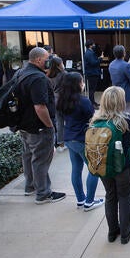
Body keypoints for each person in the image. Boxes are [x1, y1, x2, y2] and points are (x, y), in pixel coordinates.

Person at [91, 86, 130, 244]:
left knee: (110, 196)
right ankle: (126, 232)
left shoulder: (95, 121)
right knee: (125, 197)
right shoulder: (126, 120)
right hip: (124, 166)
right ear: (121, 102)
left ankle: (112, 232)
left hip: (104, 166)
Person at [17, 47, 66, 204]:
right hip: (38, 126)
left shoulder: (20, 73)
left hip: (24, 124)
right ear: (38, 60)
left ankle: (30, 186)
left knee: (28, 155)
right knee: (40, 159)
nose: (49, 61)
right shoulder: (38, 78)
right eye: (47, 58)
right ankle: (43, 193)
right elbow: (40, 106)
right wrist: (50, 126)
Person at [57, 72, 104, 211]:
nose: (83, 83)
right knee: (94, 169)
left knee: (76, 170)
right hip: (82, 139)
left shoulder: (62, 100)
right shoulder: (83, 101)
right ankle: (89, 202)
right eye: (82, 81)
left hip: (69, 138)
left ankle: (81, 199)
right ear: (77, 84)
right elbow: (91, 118)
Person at [108, 45, 130, 117]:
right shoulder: (126, 65)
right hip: (126, 94)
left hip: (115, 93)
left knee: (118, 116)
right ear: (124, 53)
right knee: (129, 117)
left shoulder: (111, 64)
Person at [47, 56, 68, 152]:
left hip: (54, 99)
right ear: (59, 65)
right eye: (62, 63)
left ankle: (60, 143)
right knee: (67, 120)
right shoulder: (64, 74)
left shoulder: (48, 75)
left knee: (58, 122)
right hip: (64, 99)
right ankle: (68, 140)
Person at [84, 39, 103, 109]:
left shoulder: (90, 52)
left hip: (92, 73)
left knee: (93, 89)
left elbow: (93, 61)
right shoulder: (89, 53)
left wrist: (98, 59)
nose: (94, 45)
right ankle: (92, 104)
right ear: (90, 45)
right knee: (92, 90)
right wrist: (100, 59)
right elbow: (93, 63)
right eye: (93, 44)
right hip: (92, 74)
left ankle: (93, 102)